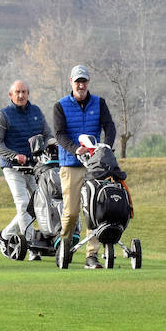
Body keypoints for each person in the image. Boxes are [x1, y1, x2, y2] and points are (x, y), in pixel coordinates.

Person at [52, 64, 117, 269]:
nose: (81, 85)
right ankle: (65, 246)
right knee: (71, 212)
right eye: (77, 81)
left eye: (84, 81)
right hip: (71, 164)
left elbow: (109, 126)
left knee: (95, 212)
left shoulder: (99, 103)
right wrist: (75, 149)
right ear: (71, 82)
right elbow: (59, 134)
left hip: (94, 165)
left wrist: (106, 147)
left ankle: (92, 255)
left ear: (88, 82)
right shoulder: (61, 105)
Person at [0, 80, 53, 254]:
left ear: (28, 94)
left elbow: (47, 134)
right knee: (24, 203)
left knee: (41, 204)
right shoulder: (3, 115)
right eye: (17, 92)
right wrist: (14, 155)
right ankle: (32, 246)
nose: (21, 95)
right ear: (11, 95)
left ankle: (4, 235)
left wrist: (52, 143)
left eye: (24, 92)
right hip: (12, 167)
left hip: (35, 167)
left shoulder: (36, 111)